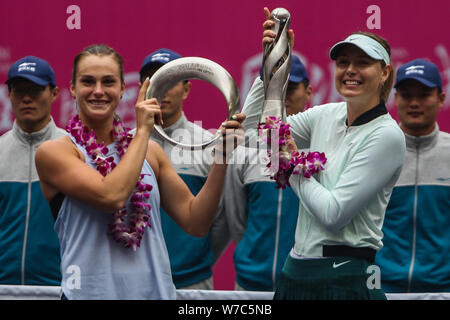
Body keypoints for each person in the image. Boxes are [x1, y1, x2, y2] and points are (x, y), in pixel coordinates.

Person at [34, 44, 245, 300]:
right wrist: (143, 131)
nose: (98, 91)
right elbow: (110, 196)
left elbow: (196, 222)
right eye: (88, 81)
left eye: (109, 82)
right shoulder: (55, 151)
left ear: (123, 88)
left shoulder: (151, 152)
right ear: (73, 88)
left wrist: (222, 156)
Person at [241, 7, 405, 299]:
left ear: (385, 72)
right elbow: (255, 131)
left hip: (346, 276)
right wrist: (271, 65)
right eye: (343, 62)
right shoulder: (326, 114)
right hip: (295, 271)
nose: (350, 70)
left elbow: (333, 214)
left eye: (363, 63)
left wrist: (290, 165)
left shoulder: (387, 136)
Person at [138, 48, 229, 290]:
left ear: (186, 89)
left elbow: (222, 218)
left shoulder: (209, 144)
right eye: (154, 81)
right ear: (140, 90)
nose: (161, 90)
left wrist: (195, 259)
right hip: (137, 283)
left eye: (169, 81)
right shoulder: (125, 148)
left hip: (192, 284)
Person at [225, 55, 312, 291]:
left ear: (309, 92)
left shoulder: (319, 152)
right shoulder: (246, 152)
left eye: (290, 87)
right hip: (249, 285)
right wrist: (251, 257)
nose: (281, 96)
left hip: (304, 286)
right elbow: (236, 220)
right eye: (275, 88)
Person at [375, 59, 450, 293]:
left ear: (441, 98)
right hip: (382, 289)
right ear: (395, 99)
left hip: (442, 289)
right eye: (406, 95)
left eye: (425, 94)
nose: (414, 103)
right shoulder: (374, 153)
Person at [0, 56, 65, 285]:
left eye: (35, 90)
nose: (26, 98)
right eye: (19, 90)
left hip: (59, 288)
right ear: (9, 95)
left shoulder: (73, 150)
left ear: (54, 93)